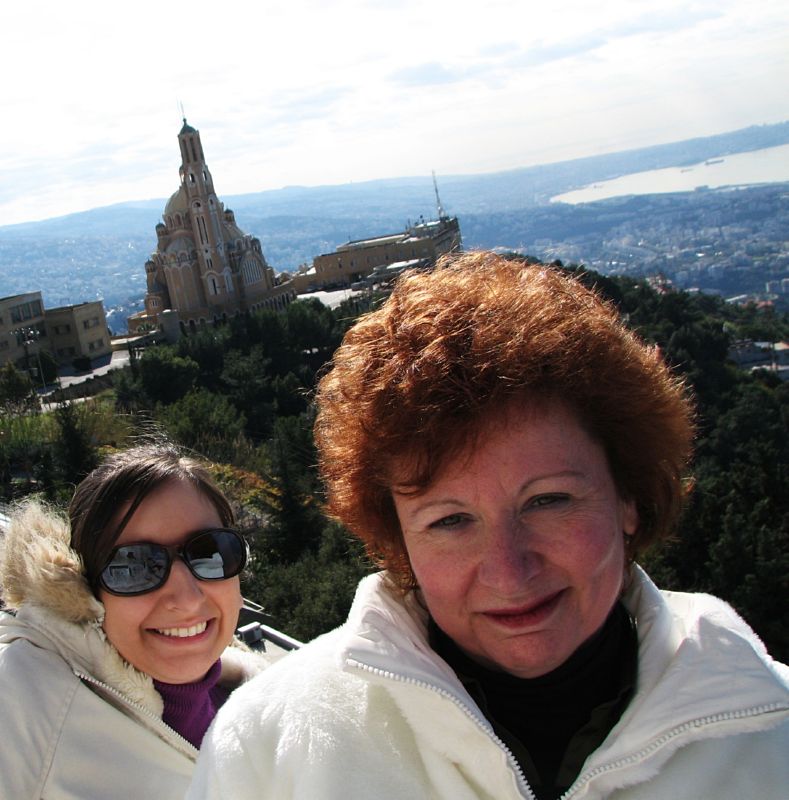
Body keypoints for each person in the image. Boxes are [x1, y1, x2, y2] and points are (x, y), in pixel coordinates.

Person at [189, 252, 789, 800]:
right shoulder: (269, 748)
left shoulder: (769, 733)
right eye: (450, 521)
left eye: (548, 501)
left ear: (628, 498)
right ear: (398, 541)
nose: (508, 571)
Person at [0, 441, 270, 799]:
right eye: (135, 566)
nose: (187, 598)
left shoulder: (268, 703)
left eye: (210, 552)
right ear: (85, 589)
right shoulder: (22, 699)